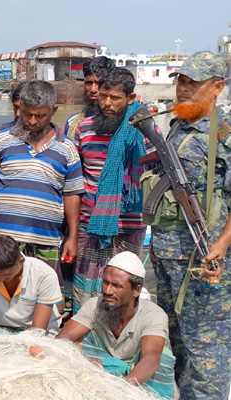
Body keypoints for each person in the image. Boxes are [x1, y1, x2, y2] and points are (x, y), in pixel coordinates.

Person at [148, 51, 231, 400]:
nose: (183, 90)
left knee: (205, 349)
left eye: (193, 84)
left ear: (217, 88)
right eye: (181, 81)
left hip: (203, 260)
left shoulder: (224, 135)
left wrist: (223, 244)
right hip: (167, 254)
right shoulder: (179, 123)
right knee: (177, 342)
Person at [0, 80, 83, 288]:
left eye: (40, 116)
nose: (32, 121)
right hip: (4, 240)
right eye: (27, 114)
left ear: (54, 111)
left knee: (45, 296)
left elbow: (72, 195)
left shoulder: (67, 148)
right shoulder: (1, 140)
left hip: (46, 241)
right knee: (2, 293)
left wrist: (72, 237)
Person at [72, 68, 153, 312]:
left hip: (130, 225)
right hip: (91, 224)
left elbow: (154, 176)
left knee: (123, 291)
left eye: (115, 98)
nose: (107, 103)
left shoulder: (147, 132)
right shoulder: (84, 129)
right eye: (103, 96)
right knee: (86, 293)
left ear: (131, 98)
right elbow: (74, 181)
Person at [58, 252, 175, 399]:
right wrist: (83, 361)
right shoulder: (94, 305)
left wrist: (121, 391)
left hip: (139, 379)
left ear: (136, 290)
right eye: (106, 282)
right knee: (75, 344)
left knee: (162, 356)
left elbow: (151, 359)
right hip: (103, 370)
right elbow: (61, 340)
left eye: (117, 286)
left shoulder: (154, 315)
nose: (107, 291)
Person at [64, 56, 114, 139]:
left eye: (98, 83)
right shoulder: (73, 123)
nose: (93, 90)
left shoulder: (125, 123)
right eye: (89, 83)